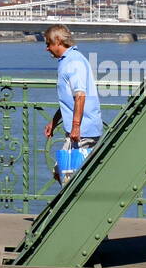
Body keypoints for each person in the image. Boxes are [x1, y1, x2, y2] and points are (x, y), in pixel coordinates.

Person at [43, 24, 103, 183]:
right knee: (60, 171)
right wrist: (54, 121)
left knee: (69, 179)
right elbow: (69, 99)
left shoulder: (73, 62)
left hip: (82, 132)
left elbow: (80, 96)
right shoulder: (68, 60)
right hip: (79, 131)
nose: (47, 48)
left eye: (48, 44)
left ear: (58, 41)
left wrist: (76, 126)